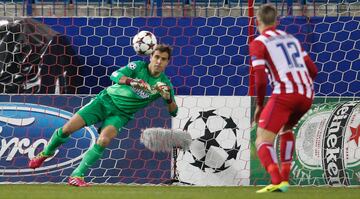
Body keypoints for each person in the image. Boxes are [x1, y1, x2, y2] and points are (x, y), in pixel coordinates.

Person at [28, 44, 178, 187]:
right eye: (157, 57)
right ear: (151, 56)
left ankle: (76, 175)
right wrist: (132, 82)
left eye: (163, 59)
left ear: (167, 62)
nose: (159, 61)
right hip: (103, 102)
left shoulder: (164, 85)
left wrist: (168, 98)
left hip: (121, 114)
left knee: (104, 140)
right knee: (67, 129)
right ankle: (46, 152)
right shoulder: (138, 66)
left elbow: (174, 111)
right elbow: (115, 75)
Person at [249, 4, 318, 193]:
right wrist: (301, 86)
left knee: (262, 139)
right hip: (307, 94)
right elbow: (313, 70)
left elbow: (261, 79)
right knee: (287, 128)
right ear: (276, 21)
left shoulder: (259, 42)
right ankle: (285, 180)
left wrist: (260, 105)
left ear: (257, 22)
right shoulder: (292, 39)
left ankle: (276, 180)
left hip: (285, 94)